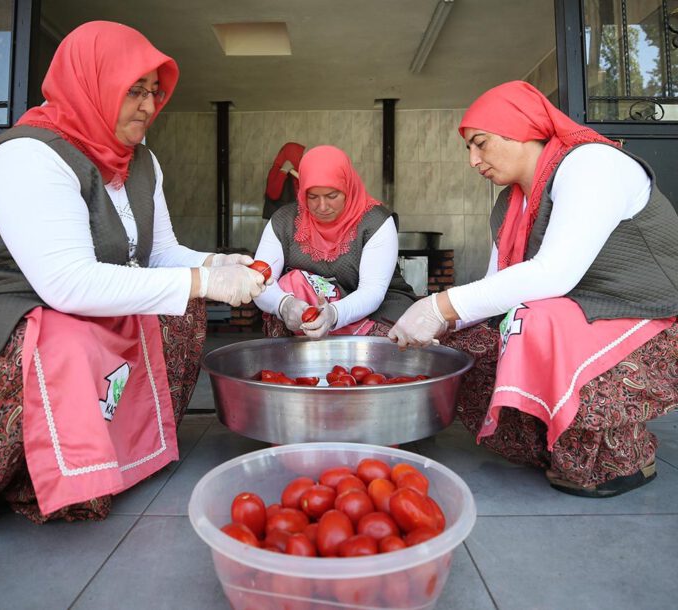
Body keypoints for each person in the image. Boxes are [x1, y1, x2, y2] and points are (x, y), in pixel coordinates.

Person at [0, 21, 268, 526]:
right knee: (63, 336)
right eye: (134, 90)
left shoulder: (141, 162)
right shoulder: (29, 156)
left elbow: (160, 251)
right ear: (92, 83)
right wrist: (205, 283)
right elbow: (68, 283)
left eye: (155, 92)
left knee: (175, 314)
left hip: (71, 303)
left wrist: (214, 263)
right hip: (1, 311)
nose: (149, 106)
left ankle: (122, 455)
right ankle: (6, 478)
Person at [389, 81, 678, 498]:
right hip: (585, 317)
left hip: (647, 315)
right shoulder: (511, 204)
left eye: (480, 144)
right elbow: (495, 288)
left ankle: (619, 459)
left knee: (536, 319)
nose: (473, 160)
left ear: (519, 129)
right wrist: (437, 324)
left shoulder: (593, 165)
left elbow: (553, 274)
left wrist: (441, 303)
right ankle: (548, 445)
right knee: (470, 347)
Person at [253, 145, 417, 339]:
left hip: (377, 310)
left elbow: (372, 291)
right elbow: (259, 281)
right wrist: (284, 304)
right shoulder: (283, 221)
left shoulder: (375, 221)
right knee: (281, 305)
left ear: (348, 187)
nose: (322, 206)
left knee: (383, 348)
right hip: (307, 315)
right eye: (312, 197)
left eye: (332, 196)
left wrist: (333, 315)